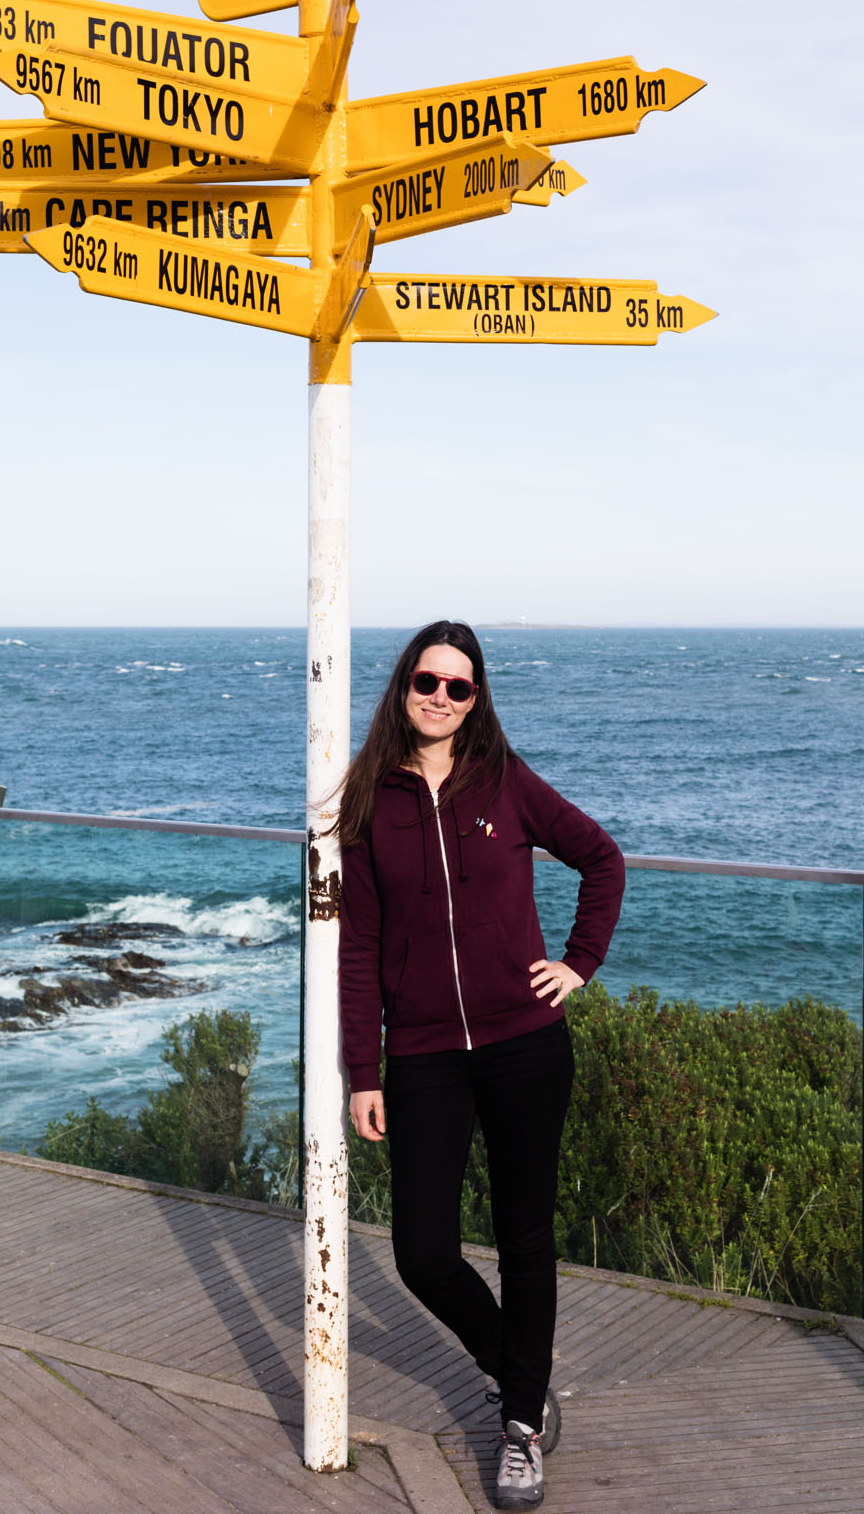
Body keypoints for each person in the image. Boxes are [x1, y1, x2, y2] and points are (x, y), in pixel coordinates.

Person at [338, 620, 625, 1510]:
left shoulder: (505, 780)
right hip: (424, 1054)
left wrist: (578, 963)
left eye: (458, 687)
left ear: (476, 699)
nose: (440, 697)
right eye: (428, 681)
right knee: (423, 1252)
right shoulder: (370, 797)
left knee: (523, 1237)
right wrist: (362, 1070)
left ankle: (521, 1428)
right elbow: (360, 945)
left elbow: (601, 859)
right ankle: (520, 1373)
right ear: (404, 685)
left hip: (525, 1045)